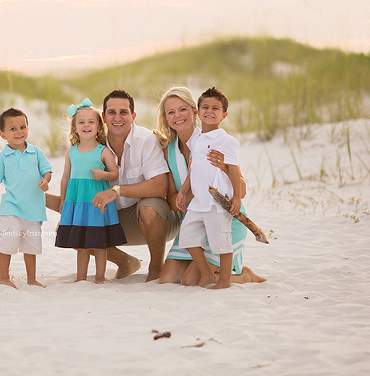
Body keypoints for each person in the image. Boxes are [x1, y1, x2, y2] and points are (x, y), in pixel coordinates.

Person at [47, 90, 179, 282]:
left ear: (133, 116)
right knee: (70, 228)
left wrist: (117, 191)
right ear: (103, 117)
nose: (118, 118)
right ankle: (125, 262)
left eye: (123, 112)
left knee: (149, 207)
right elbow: (77, 193)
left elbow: (160, 187)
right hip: (112, 220)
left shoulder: (146, 140)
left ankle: (156, 268)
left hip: (153, 221)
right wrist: (38, 196)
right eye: (111, 112)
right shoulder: (92, 146)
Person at [156, 86, 266, 287]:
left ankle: (244, 276)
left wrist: (224, 167)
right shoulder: (168, 151)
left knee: (191, 280)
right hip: (195, 216)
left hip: (222, 215)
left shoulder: (215, 140)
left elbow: (241, 191)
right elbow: (172, 200)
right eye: (171, 112)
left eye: (183, 109)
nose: (177, 116)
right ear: (165, 117)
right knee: (168, 279)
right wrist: (189, 195)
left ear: (194, 112)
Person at [55, 99, 127, 283]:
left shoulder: (103, 151)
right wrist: (63, 200)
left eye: (91, 122)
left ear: (99, 127)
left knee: (99, 244)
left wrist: (103, 174)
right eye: (81, 122)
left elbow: (115, 174)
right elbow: (65, 177)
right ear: (75, 128)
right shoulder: (71, 151)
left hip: (97, 204)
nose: (86, 125)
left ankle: (100, 278)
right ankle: (80, 278)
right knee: (81, 245)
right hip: (77, 202)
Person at [0, 107, 52, 289]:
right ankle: (4, 277)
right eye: (13, 129)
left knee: (31, 247)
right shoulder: (1, 158)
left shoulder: (36, 152)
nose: (19, 132)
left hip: (34, 209)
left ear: (28, 129)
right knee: (7, 243)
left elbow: (47, 171)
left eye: (22, 127)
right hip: (11, 208)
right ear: (3, 135)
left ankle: (31, 279)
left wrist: (46, 181)